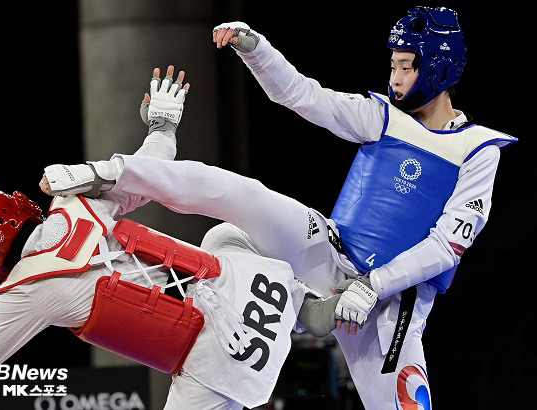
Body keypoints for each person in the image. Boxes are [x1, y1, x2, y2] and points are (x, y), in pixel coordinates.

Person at [46, 7, 518, 409]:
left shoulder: (479, 150)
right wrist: (255, 48)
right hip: (328, 252)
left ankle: (299, 303)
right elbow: (301, 95)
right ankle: (113, 173)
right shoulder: (383, 116)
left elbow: (445, 248)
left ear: (438, 68)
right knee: (238, 200)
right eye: (392, 65)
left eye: (406, 67)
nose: (394, 78)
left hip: (391, 304)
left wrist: (373, 287)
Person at [0, 66, 343, 410]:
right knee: (223, 233)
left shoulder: (23, 294)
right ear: (14, 205)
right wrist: (163, 127)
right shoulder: (76, 203)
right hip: (254, 286)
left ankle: (301, 310)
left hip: (219, 361)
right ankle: (303, 304)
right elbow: (152, 171)